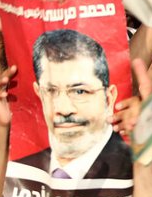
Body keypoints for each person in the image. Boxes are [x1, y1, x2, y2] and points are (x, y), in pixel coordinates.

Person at [12, 30, 131, 182]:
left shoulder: (134, 171)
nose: (64, 109)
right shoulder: (25, 171)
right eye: (51, 91)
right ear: (38, 93)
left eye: (79, 91)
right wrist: (2, 126)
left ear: (109, 97)